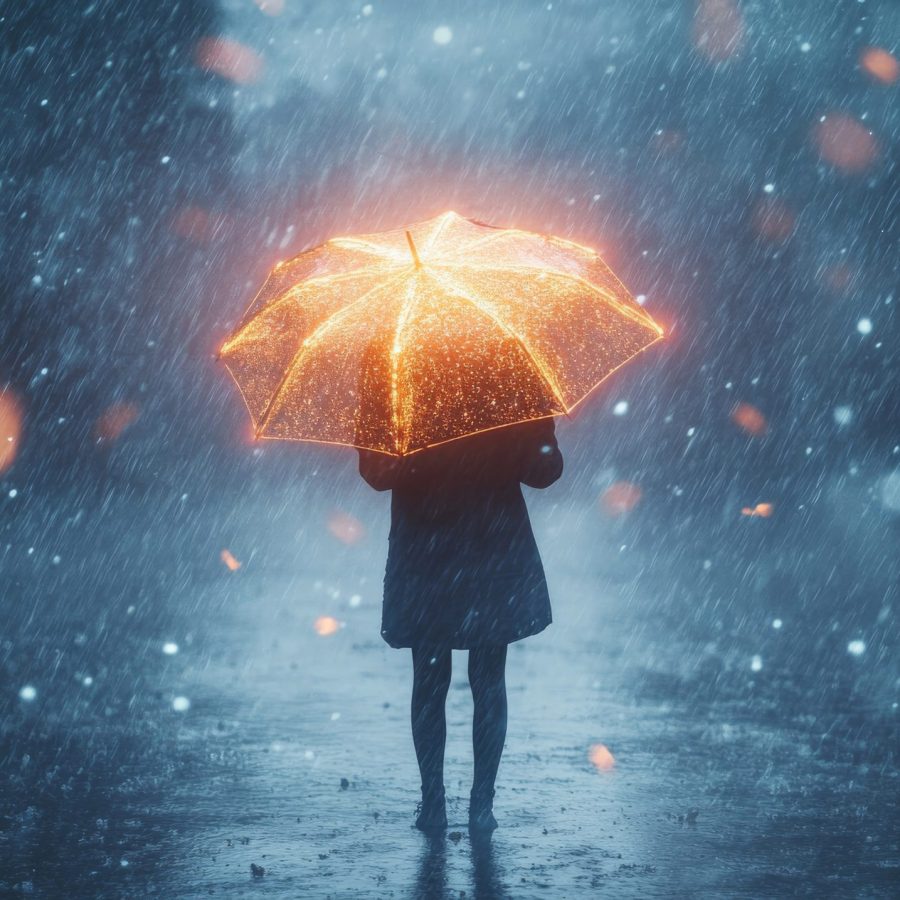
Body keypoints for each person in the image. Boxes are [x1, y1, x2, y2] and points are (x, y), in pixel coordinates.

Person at [357, 416, 563, 834]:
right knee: (488, 678)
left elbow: (378, 473)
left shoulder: (393, 363)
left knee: (431, 679)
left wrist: (419, 452)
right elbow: (544, 471)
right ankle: (480, 807)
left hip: (428, 550)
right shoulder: (508, 366)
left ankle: (434, 804)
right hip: (489, 545)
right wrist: (511, 438)